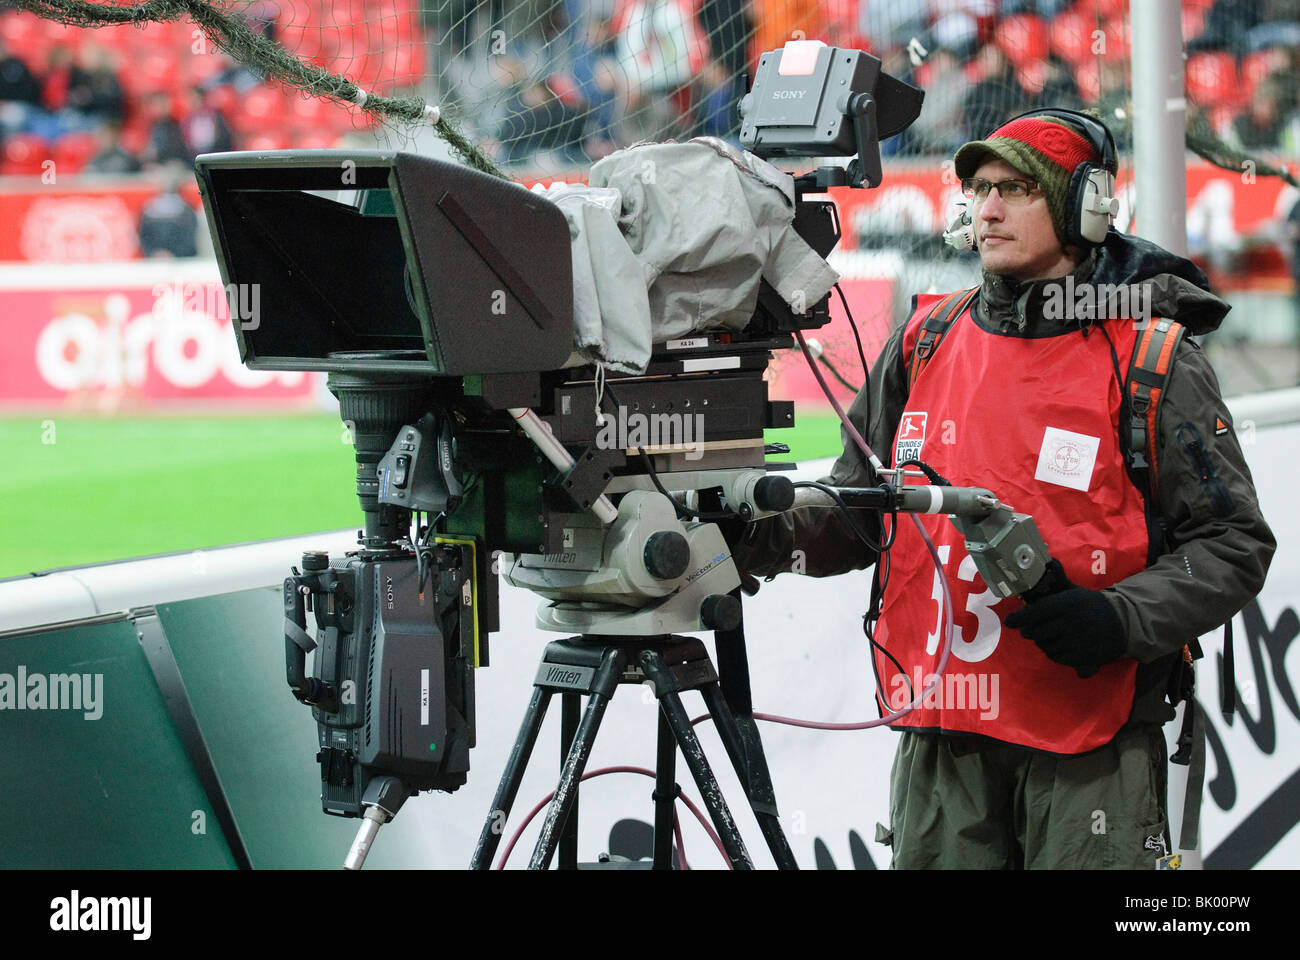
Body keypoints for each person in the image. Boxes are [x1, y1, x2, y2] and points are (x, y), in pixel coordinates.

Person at [732, 110, 1275, 869]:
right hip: (943, 741)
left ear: (1084, 206)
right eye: (979, 189)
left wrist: (1119, 619)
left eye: (1014, 189)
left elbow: (1233, 543)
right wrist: (758, 532)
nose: (985, 208)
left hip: (1090, 748)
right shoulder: (924, 341)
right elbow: (858, 513)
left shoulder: (1155, 358)